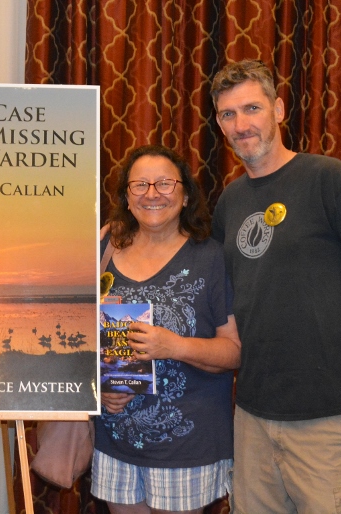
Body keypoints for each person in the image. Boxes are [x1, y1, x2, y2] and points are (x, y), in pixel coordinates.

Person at [210, 59, 341, 513]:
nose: (241, 124)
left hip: (333, 421)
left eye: (252, 108)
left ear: (279, 109)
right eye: (228, 115)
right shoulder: (230, 201)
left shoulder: (329, 179)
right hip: (254, 418)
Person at [94, 145, 241, 514]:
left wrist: (173, 346)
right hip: (115, 443)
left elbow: (234, 351)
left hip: (186, 449)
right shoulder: (103, 250)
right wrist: (101, 385)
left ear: (186, 193)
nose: (152, 193)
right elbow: (74, 338)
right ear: (127, 198)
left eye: (164, 183)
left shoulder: (211, 258)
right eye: (140, 184)